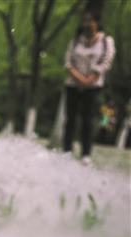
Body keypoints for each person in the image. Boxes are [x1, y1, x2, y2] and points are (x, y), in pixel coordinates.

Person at [63, 10, 116, 165]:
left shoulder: (106, 41)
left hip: (93, 86)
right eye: (84, 20)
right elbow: (68, 63)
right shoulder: (75, 42)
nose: (87, 24)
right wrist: (79, 79)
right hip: (73, 84)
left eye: (90, 20)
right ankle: (67, 152)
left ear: (97, 23)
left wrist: (89, 79)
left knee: (88, 119)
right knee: (70, 119)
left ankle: (86, 154)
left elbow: (106, 61)